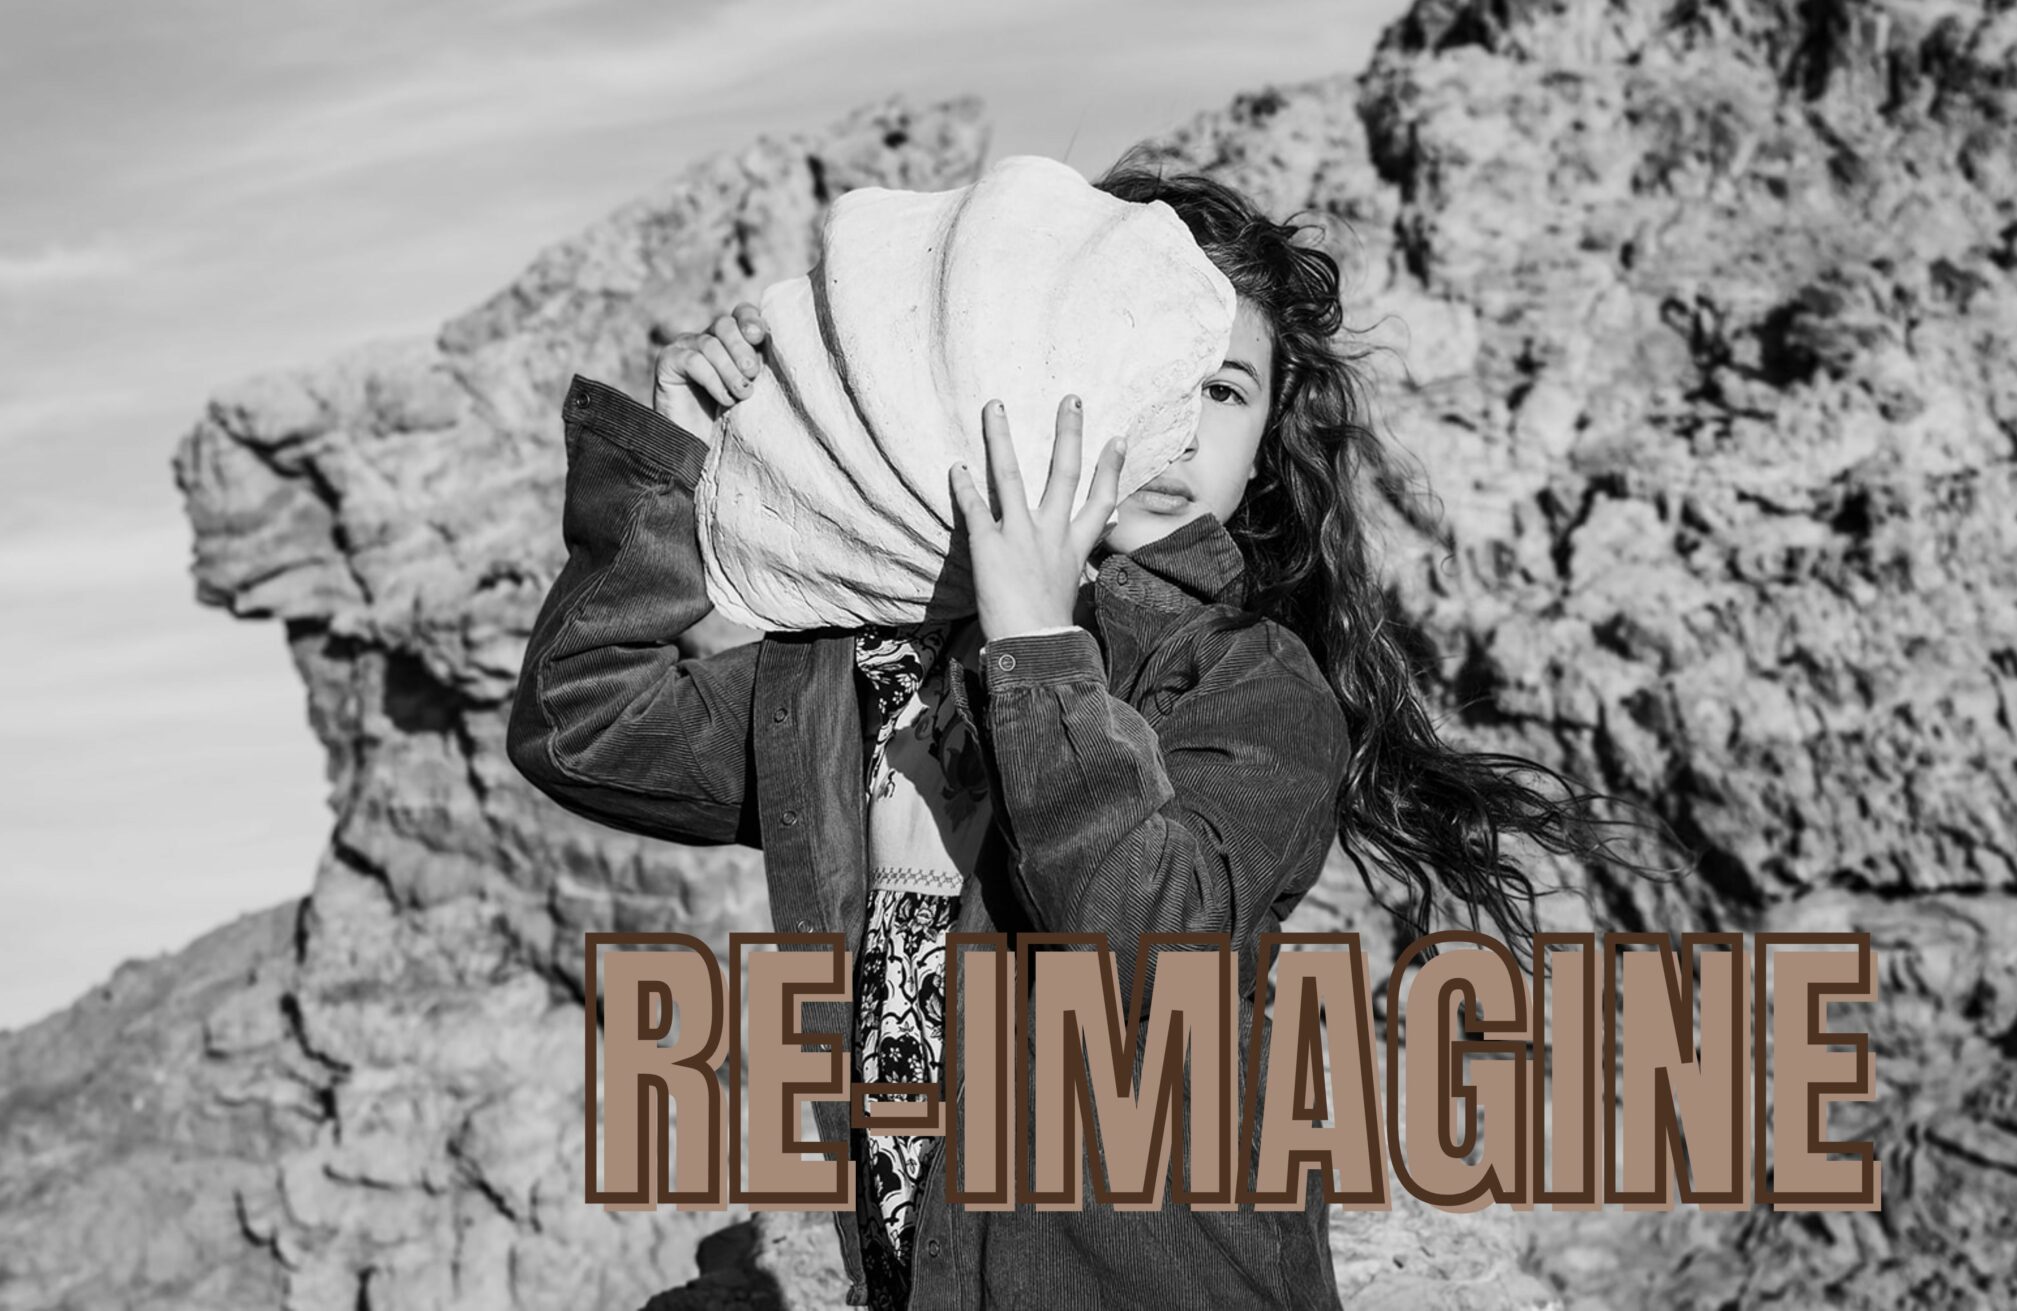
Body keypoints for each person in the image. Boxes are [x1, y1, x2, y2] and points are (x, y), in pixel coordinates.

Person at [507, 154, 1614, 1310]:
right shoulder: (876, 662)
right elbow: (582, 723)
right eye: (1147, 365)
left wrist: (1035, 647)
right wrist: (669, 451)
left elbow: (1160, 946)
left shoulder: (1249, 678)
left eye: (1225, 391)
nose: (1176, 426)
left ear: (1260, 450)